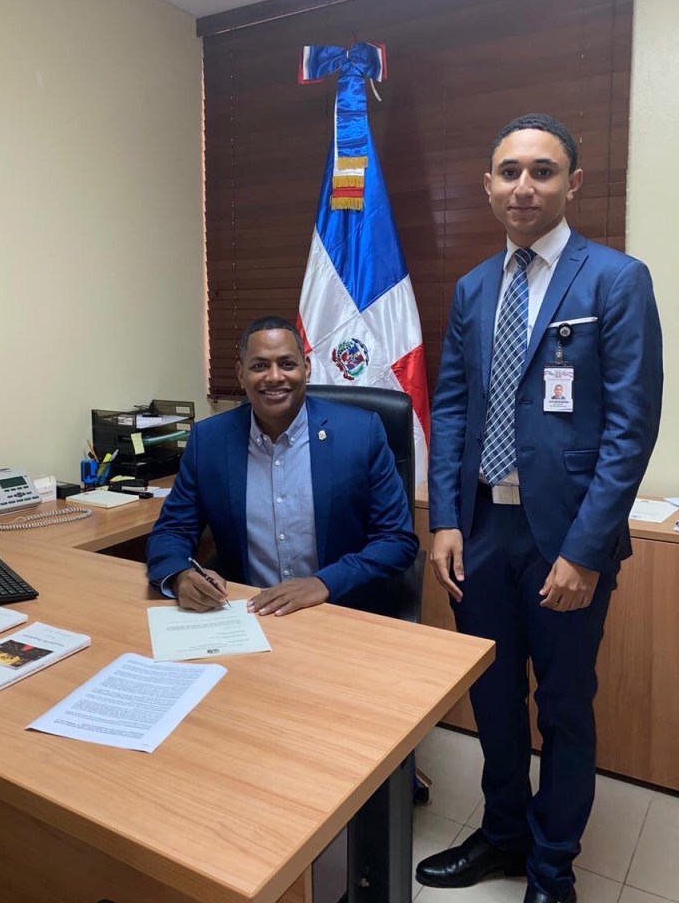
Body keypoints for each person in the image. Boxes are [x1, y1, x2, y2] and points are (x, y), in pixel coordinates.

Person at [415, 115, 662, 903]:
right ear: (488, 185)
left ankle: (552, 868)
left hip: (567, 535)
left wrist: (586, 552)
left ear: (572, 184)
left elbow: (631, 429)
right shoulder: (472, 288)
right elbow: (453, 407)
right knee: (492, 698)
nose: (524, 186)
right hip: (483, 528)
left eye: (543, 171)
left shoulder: (616, 280)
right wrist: (446, 519)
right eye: (510, 171)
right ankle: (502, 834)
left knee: (562, 707)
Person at [146, 316, 418, 616]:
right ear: (240, 374)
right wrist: (180, 575)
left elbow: (396, 540)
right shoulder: (209, 441)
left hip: (340, 610)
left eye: (287, 364)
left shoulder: (360, 433)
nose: (274, 377)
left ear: (306, 368)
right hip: (248, 613)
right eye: (259, 366)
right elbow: (172, 530)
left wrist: (324, 583)